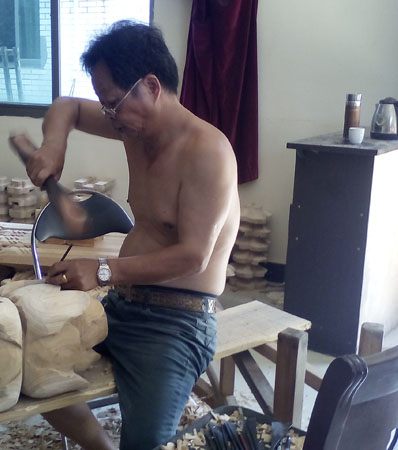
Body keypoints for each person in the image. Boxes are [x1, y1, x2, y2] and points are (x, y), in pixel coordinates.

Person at [21, 20, 240, 450]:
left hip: (177, 322)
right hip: (122, 305)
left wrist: (102, 270)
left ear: (151, 87)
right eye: (105, 106)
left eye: (113, 105)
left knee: (146, 442)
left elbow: (193, 256)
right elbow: (67, 106)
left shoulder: (207, 152)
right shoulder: (135, 127)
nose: (108, 117)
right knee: (32, 367)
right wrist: (54, 145)